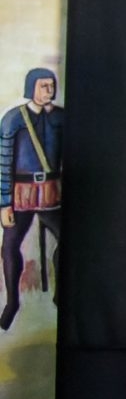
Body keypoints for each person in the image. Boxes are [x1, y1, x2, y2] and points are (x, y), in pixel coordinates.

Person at [0, 67, 60, 331]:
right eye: (43, 86)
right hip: (20, 194)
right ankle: (12, 302)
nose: (49, 91)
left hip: (52, 194)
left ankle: (61, 296)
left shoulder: (62, 117)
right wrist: (4, 203)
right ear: (31, 87)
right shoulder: (13, 119)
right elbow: (3, 162)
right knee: (9, 246)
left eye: (51, 85)